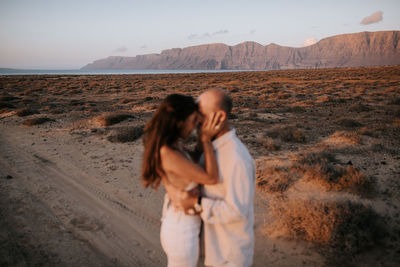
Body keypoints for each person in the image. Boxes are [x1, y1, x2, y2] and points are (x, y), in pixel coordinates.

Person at [173, 89, 256, 267]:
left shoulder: (236, 158)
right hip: (212, 250)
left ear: (219, 116)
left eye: (201, 114)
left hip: (228, 256)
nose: (196, 119)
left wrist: (197, 202)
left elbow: (236, 211)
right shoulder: (212, 146)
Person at [141, 93, 223, 267]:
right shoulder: (168, 153)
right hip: (181, 230)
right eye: (193, 120)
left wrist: (202, 134)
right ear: (180, 121)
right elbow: (211, 177)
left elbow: (193, 161)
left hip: (183, 224)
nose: (194, 126)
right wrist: (206, 140)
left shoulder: (173, 145)